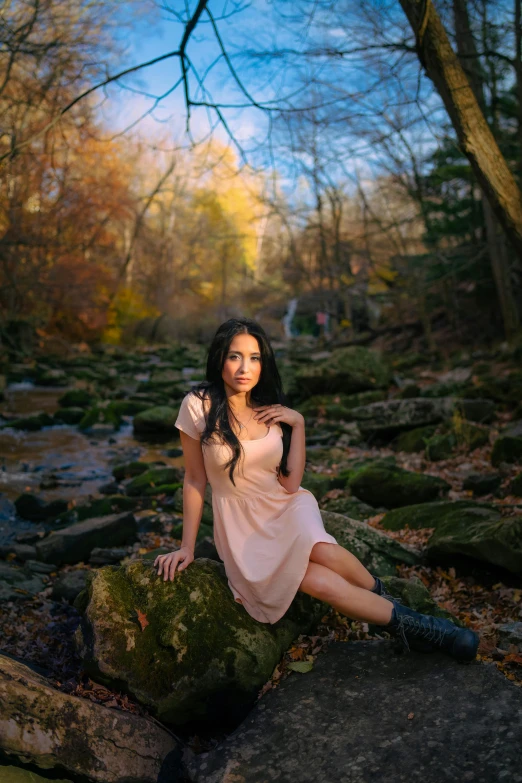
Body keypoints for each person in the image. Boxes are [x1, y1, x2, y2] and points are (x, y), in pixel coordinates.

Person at [154, 317, 479, 662]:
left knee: (326, 551)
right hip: (242, 529)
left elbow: (291, 482)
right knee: (322, 584)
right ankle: (409, 622)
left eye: (254, 358)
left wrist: (299, 423)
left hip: (283, 506)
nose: (244, 368)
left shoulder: (269, 407)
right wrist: (186, 547)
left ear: (264, 363)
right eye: (235, 356)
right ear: (220, 357)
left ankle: (417, 625)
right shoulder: (197, 405)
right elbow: (194, 478)